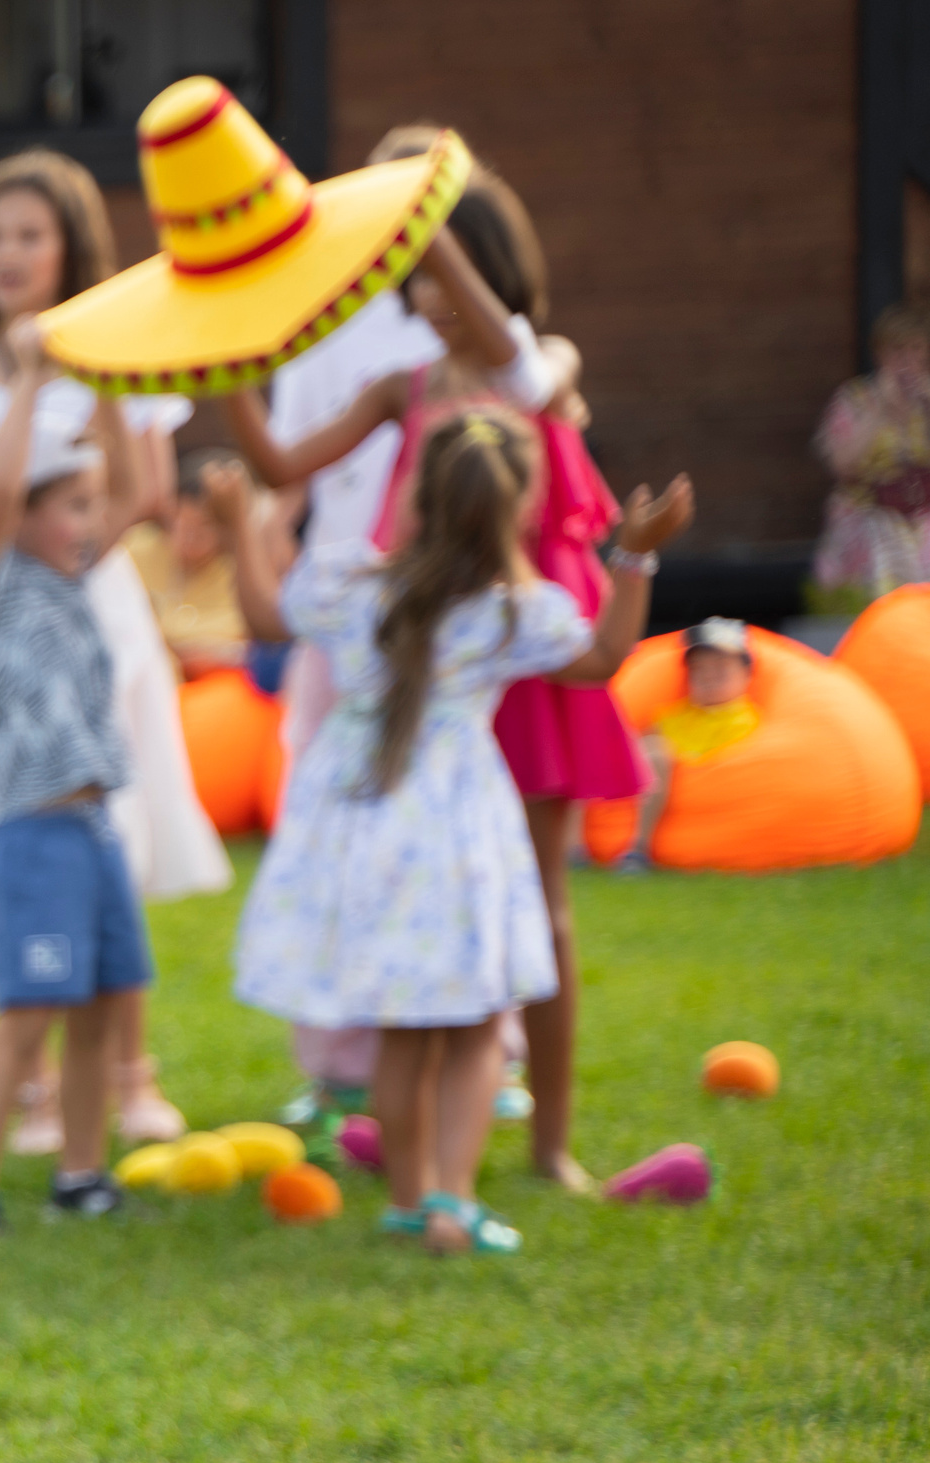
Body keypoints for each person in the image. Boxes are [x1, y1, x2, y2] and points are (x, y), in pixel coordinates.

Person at [226, 175, 619, 1191]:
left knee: (542, 890)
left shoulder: (535, 358)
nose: (426, 290)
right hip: (437, 638)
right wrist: (226, 355)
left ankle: (547, 1140)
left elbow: (519, 363)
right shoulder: (399, 381)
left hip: (527, 628)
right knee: (443, 876)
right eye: (412, 270)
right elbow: (276, 458)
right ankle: (431, 1139)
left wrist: (416, 217)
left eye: (439, 265)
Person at [232, 409, 693, 1254]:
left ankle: (409, 1200)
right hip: (458, 837)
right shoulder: (512, 611)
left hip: (369, 832)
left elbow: (264, 615)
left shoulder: (350, 587)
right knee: (478, 1027)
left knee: (404, 1032)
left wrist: (240, 526)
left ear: (414, 496)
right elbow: (602, 657)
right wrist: (633, 551)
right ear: (516, 514)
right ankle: (453, 1200)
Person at [0, 147, 222, 1152]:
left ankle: (127, 1072)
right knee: (26, 828)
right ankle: (36, 1085)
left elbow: (142, 486)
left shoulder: (121, 355)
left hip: (97, 600)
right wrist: (18, 551)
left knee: (119, 826)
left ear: (71, 247)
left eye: (28, 234)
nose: (5, 254)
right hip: (0, 614)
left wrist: (91, 374)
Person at [0, 314, 154, 1236]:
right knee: (30, 1015)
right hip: (30, 835)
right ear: (18, 516)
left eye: (88, 510)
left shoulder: (71, 579)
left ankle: (81, 1172)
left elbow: (135, 485)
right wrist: (28, 377)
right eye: (68, 507)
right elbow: (1, 484)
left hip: (93, 831)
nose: (87, 524)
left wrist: (99, 377)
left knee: (103, 1007)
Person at [811, 301, 930, 615]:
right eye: (897, 352)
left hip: (923, 514)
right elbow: (842, 466)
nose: (907, 361)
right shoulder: (855, 399)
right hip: (868, 511)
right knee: (877, 545)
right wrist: (880, 411)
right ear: (880, 355)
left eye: (915, 350)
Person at [621, 617, 758, 870]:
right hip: (654, 778)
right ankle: (576, 848)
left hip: (706, 797)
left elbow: (724, 766)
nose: (709, 676)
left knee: (656, 755)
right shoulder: (673, 716)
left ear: (746, 673)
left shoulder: (746, 720)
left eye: (720, 667)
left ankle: (638, 849)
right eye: (699, 668)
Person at [125, 446, 265, 680]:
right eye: (184, 524)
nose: (191, 539)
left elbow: (253, 650)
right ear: (173, 509)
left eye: (205, 528)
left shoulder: (244, 572)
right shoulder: (133, 549)